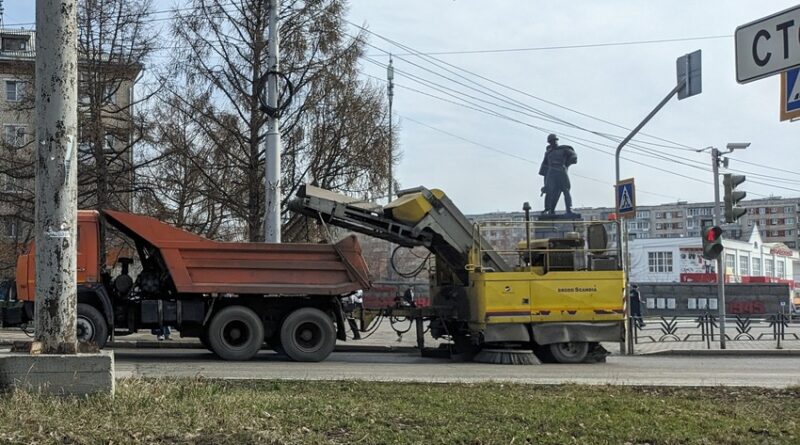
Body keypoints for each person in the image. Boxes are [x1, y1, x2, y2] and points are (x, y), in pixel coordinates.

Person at [539, 134, 577, 214]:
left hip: (561, 171)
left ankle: (569, 209)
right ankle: (550, 210)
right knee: (551, 192)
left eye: (554, 141)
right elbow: (544, 169)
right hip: (551, 173)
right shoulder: (548, 153)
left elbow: (573, 157)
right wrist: (545, 184)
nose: (553, 142)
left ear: (557, 140)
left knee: (566, 190)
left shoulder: (564, 149)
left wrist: (566, 165)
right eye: (551, 141)